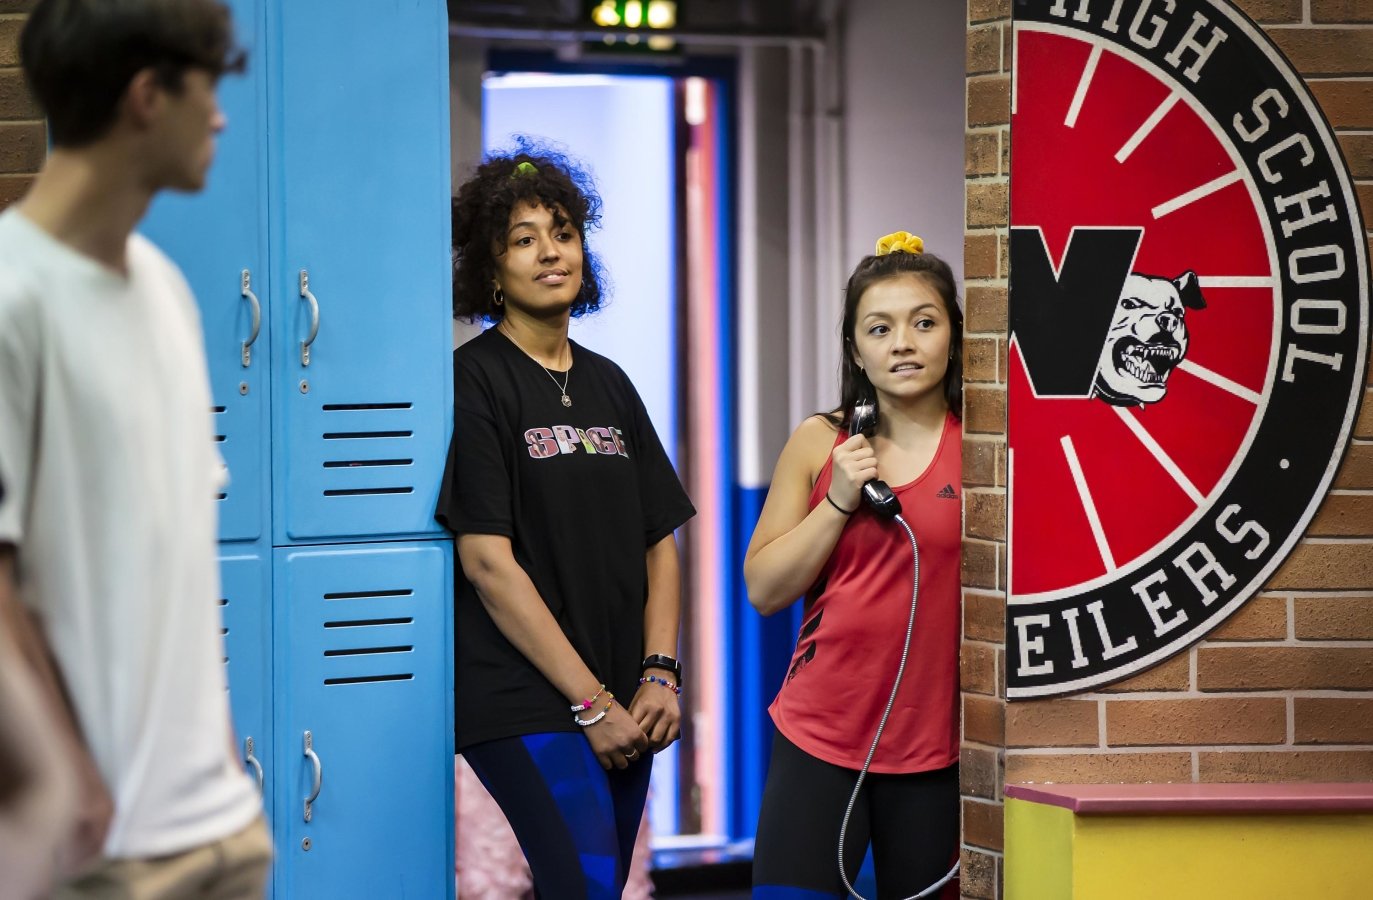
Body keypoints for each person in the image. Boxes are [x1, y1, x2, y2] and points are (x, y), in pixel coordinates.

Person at [0, 1, 270, 896]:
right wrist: (68, 775)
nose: (223, 118)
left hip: (222, 826)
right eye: (210, 91)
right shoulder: (13, 296)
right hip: (103, 848)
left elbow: (178, 551)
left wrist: (223, 760)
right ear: (149, 96)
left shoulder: (165, 288)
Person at [437, 146, 695, 899]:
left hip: (627, 696)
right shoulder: (474, 380)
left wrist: (659, 674)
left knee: (595, 890)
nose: (550, 252)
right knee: (582, 890)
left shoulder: (609, 382)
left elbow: (660, 541)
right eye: (523, 239)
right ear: (491, 270)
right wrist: (590, 702)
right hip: (527, 699)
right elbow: (487, 562)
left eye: (563, 232)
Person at [745, 233, 963, 898]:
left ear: (953, 333)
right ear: (855, 350)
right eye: (880, 328)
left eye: (923, 323)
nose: (903, 343)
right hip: (822, 734)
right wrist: (836, 502)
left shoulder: (986, 447)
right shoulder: (820, 441)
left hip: (937, 748)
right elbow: (763, 590)